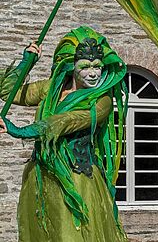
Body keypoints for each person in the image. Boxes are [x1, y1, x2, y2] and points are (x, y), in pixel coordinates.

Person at [0, 26, 128, 241]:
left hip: (77, 180)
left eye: (97, 66)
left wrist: (20, 130)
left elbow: (64, 122)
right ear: (71, 65)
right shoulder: (51, 88)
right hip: (42, 176)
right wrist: (27, 62)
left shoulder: (101, 100)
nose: (94, 73)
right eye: (86, 66)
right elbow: (7, 90)